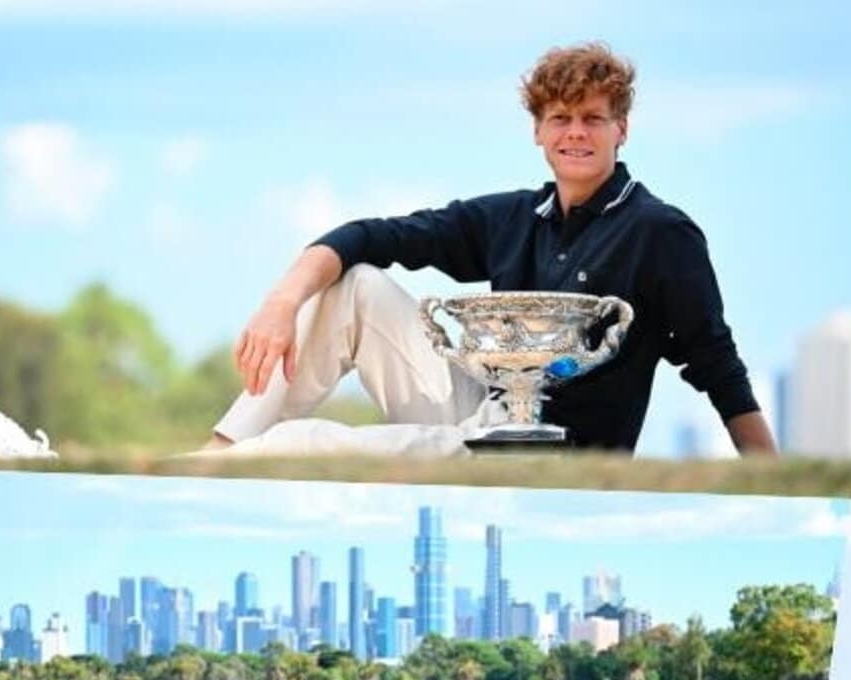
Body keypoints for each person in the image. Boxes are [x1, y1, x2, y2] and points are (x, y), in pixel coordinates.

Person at [208, 41, 773, 455]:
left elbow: (715, 362)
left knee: (298, 447)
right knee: (356, 286)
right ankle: (218, 452)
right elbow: (370, 236)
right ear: (538, 131)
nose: (575, 132)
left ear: (620, 129)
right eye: (560, 118)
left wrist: (768, 478)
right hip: (484, 413)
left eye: (593, 119)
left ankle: (229, 463)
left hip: (561, 456)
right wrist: (281, 304)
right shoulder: (514, 217)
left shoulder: (660, 231)